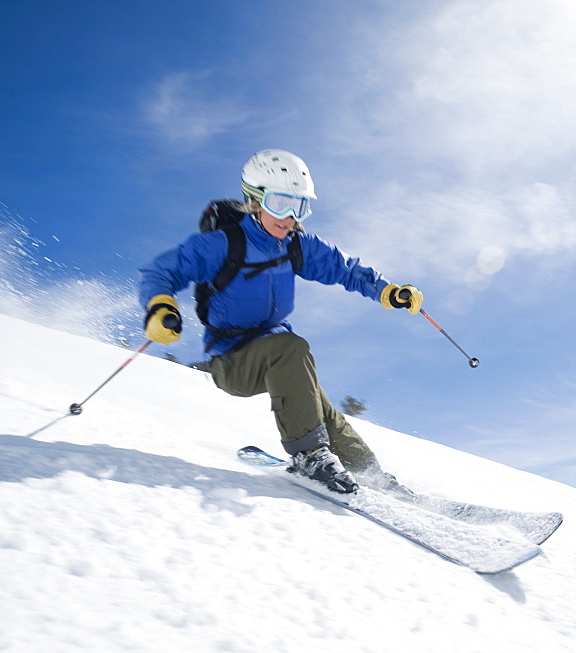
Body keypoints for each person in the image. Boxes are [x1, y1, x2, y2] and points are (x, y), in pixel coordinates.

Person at [138, 149, 423, 494]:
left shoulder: (296, 245)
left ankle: (371, 476)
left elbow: (344, 268)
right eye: (279, 203)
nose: (289, 217)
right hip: (231, 360)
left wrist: (386, 290)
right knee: (292, 349)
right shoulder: (223, 244)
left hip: (277, 354)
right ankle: (310, 457)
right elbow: (162, 270)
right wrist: (160, 307)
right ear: (255, 200)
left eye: (299, 206)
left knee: (319, 407)